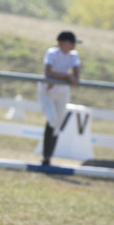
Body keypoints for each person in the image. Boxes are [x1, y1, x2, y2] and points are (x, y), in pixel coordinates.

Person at [38, 30, 81, 166]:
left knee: (57, 124)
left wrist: (59, 77)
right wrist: (67, 76)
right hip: (47, 91)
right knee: (52, 118)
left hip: (61, 92)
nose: (74, 45)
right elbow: (48, 72)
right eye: (71, 42)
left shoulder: (74, 55)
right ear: (62, 43)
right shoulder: (52, 53)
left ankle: (48, 157)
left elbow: (76, 79)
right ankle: (46, 154)